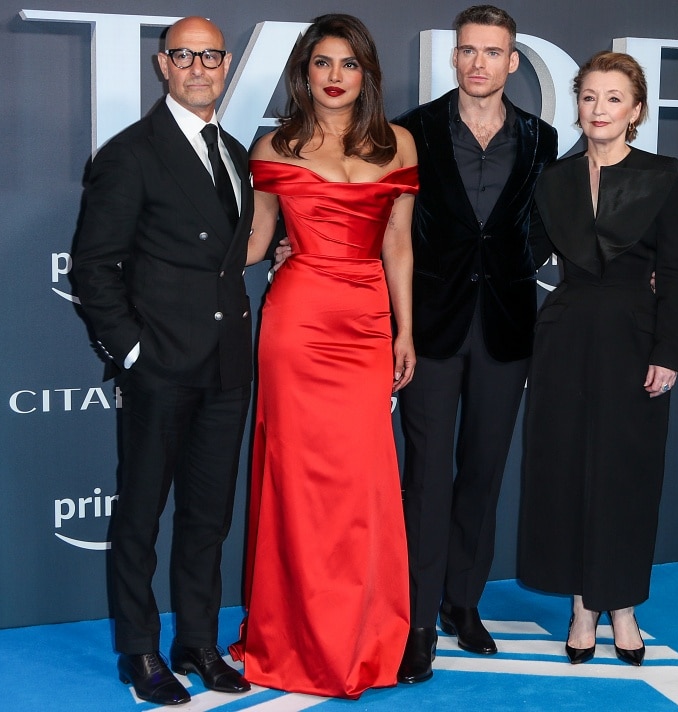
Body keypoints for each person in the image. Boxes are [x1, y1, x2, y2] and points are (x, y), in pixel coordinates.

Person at [231, 14, 418, 699]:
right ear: (303, 72)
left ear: (366, 74)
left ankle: (364, 636)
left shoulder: (397, 144)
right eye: (322, 63)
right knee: (296, 486)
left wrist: (405, 331)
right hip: (298, 323)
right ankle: (293, 637)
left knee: (362, 486)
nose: (335, 77)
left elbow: (398, 244)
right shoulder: (273, 146)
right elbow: (255, 244)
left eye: (348, 64)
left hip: (367, 321)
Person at [70, 16, 255, 706]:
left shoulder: (233, 150)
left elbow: (227, 256)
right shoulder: (131, 152)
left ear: (227, 63)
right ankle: (140, 650)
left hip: (227, 366)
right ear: (163, 65)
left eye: (210, 56)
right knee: (142, 514)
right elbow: (93, 267)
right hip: (162, 366)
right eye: (185, 56)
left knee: (209, 517)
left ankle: (198, 643)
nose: (199, 67)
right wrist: (134, 351)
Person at [391, 5, 557, 683]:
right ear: (454, 58)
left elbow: (544, 226)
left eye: (493, 52)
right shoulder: (413, 130)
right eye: (468, 51)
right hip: (430, 328)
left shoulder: (542, 138)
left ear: (513, 61)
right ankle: (419, 620)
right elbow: (389, 227)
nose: (479, 63)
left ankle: (466, 603)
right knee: (425, 479)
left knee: (483, 474)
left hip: (506, 329)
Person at [517, 50, 678, 667]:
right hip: (564, 337)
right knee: (567, 470)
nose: (599, 109)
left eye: (613, 98)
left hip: (633, 342)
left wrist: (668, 350)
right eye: (589, 96)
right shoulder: (554, 179)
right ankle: (582, 607)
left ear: (636, 110)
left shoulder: (662, 174)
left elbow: (673, 271)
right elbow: (524, 253)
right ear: (577, 104)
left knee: (625, 475)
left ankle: (623, 606)